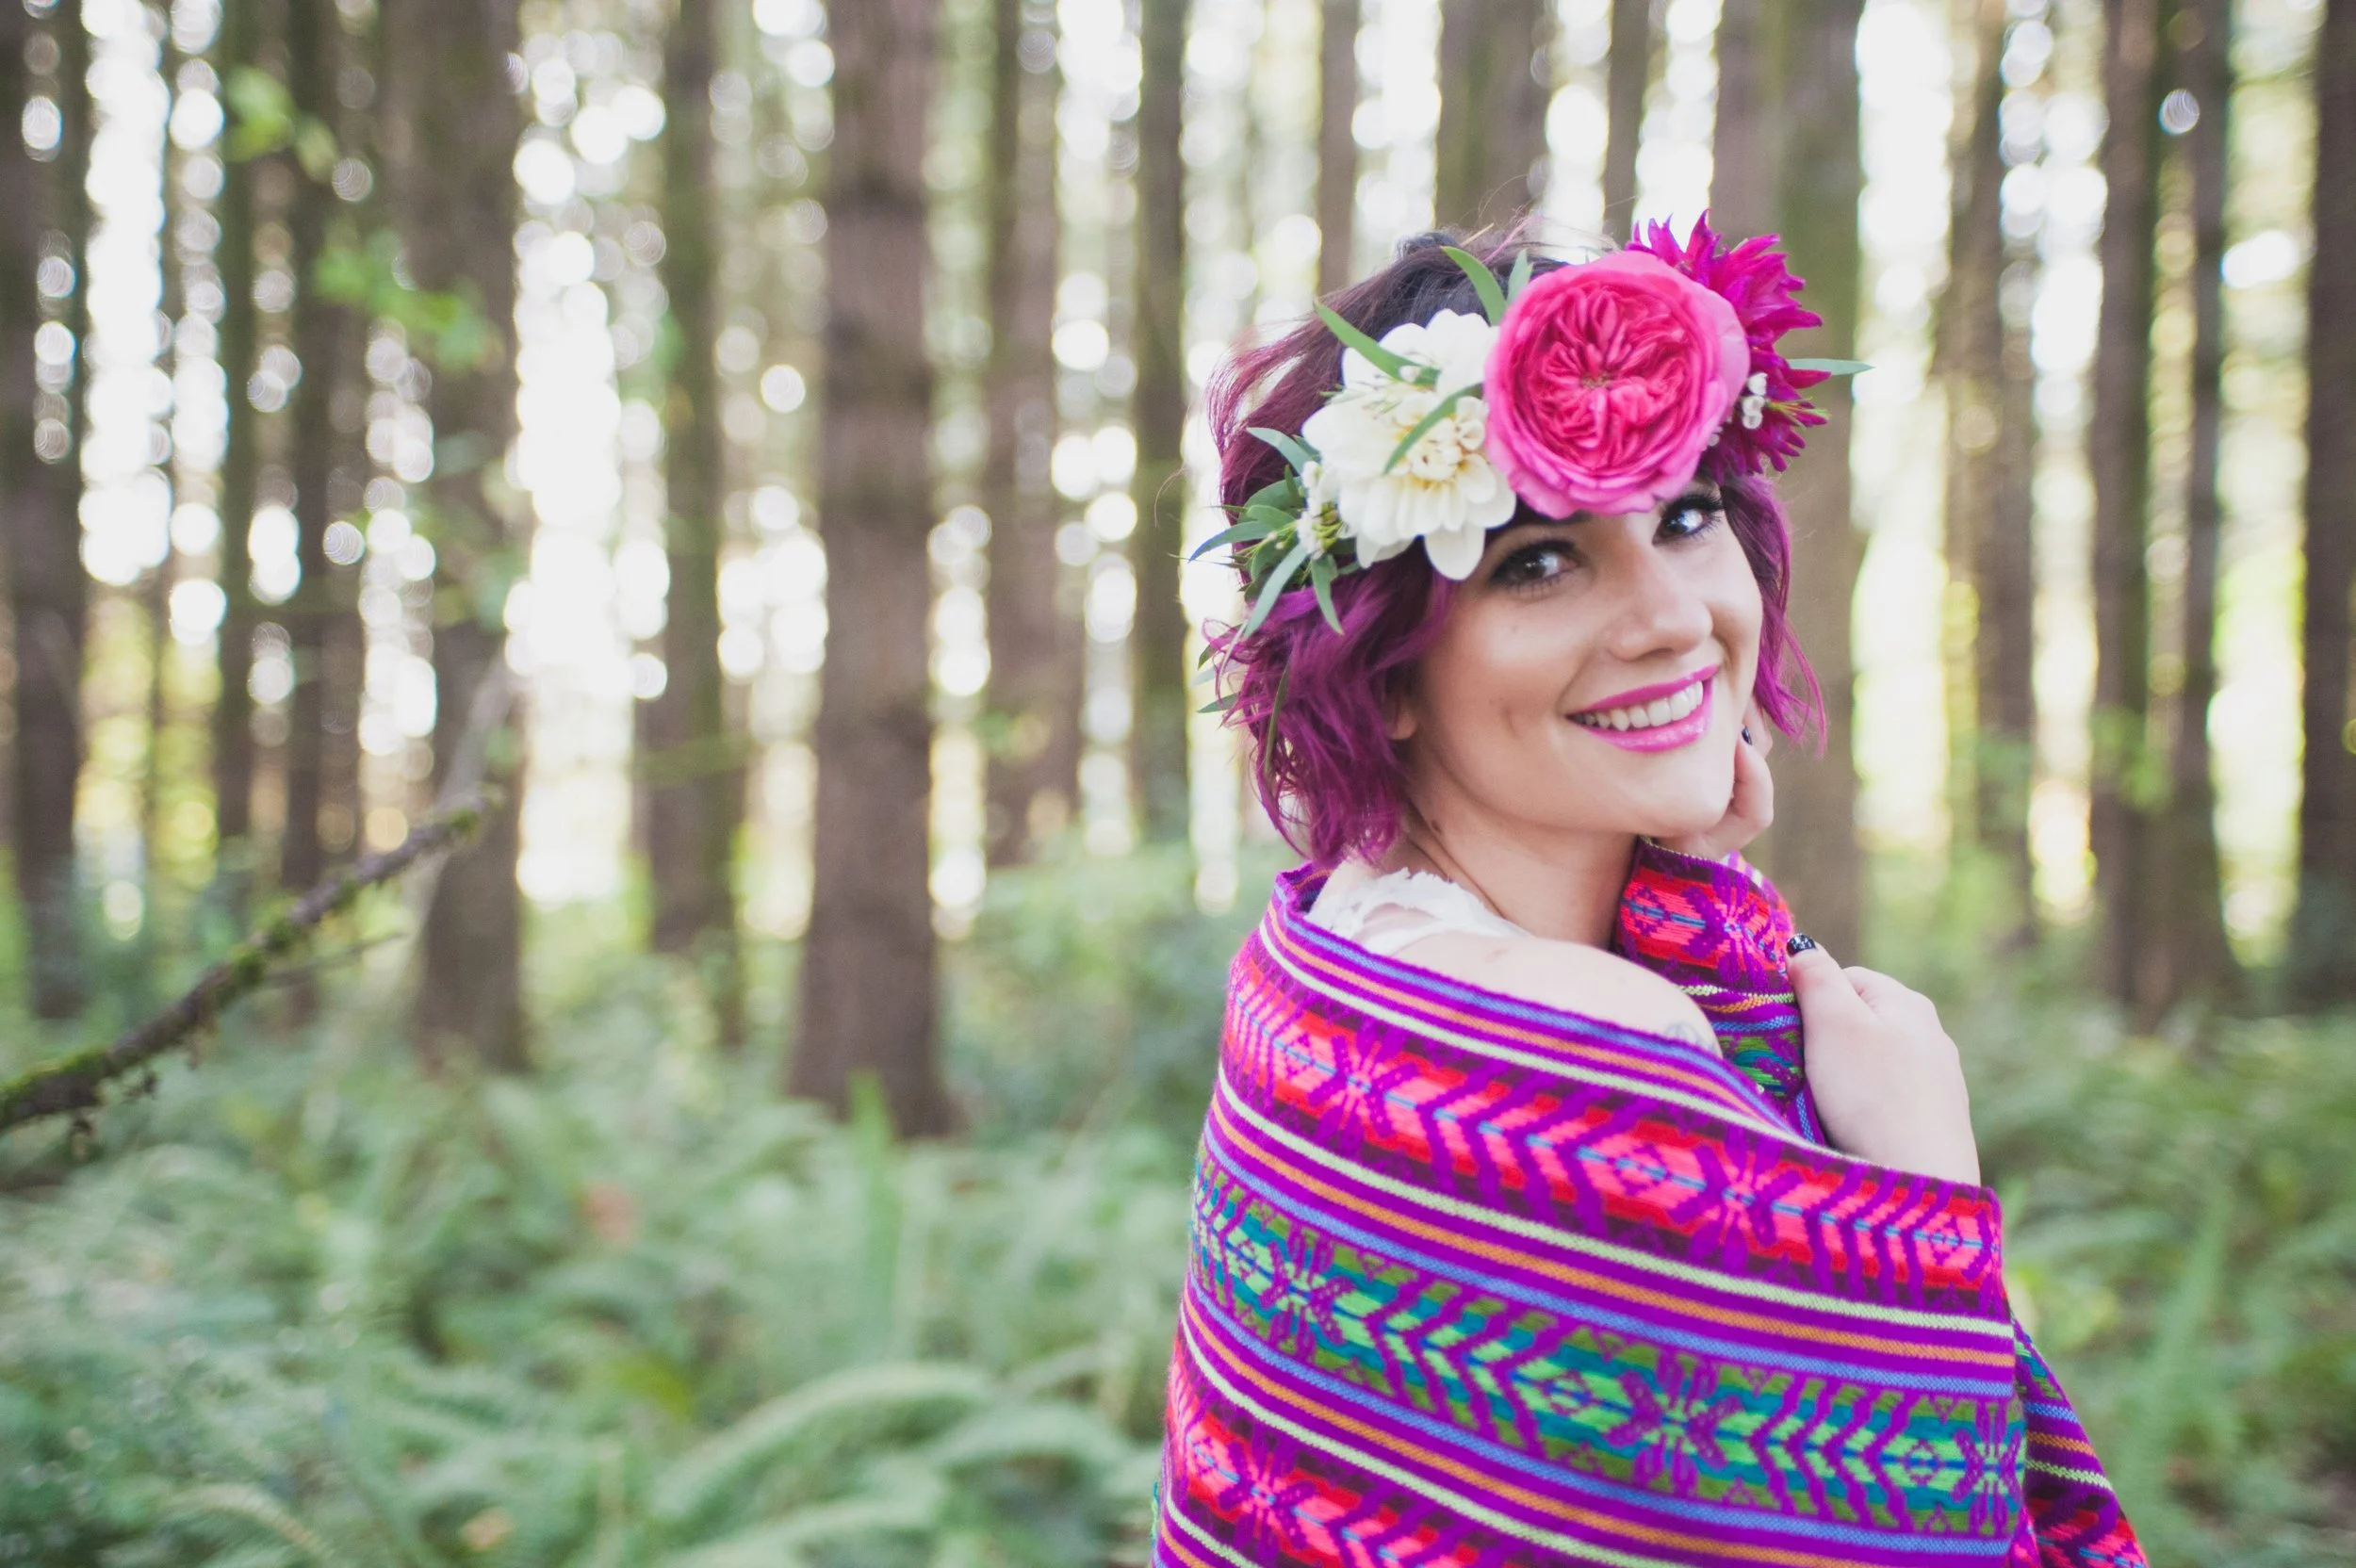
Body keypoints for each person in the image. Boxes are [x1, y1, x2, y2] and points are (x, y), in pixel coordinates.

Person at [1153, 223, 2142, 1567]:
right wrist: (1924, 1182)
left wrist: (1690, 876)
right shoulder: (1601, 1043)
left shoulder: (1337, 940)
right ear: (1380, 674)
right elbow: (1918, 1527)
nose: (1672, 617)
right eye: (1538, 561)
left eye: (1685, 515)